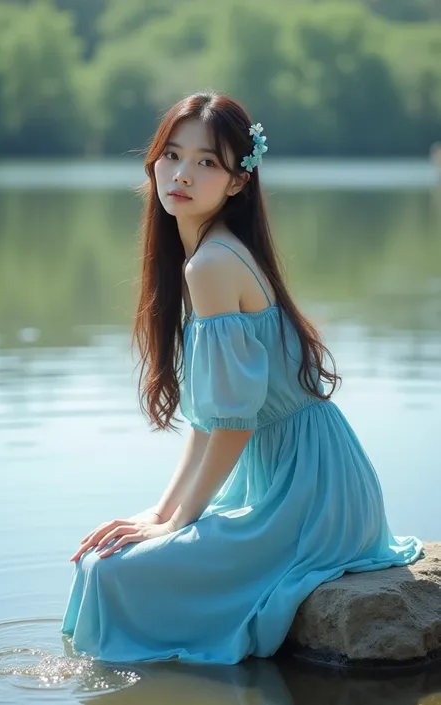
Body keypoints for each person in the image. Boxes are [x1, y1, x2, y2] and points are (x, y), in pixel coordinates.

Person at [62, 91, 423, 665]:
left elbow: (233, 426)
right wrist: (161, 513)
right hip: (287, 480)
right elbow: (211, 420)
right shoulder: (205, 256)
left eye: (207, 162)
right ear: (152, 161)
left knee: (115, 576)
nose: (182, 174)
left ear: (236, 182)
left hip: (308, 495)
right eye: (172, 155)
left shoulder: (212, 264)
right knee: (101, 560)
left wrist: (180, 521)